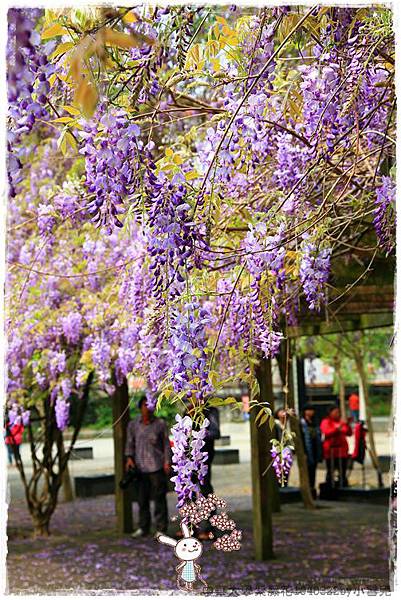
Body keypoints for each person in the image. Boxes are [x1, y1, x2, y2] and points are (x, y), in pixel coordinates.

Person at [125, 395, 172, 538]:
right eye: (145, 405)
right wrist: (129, 458)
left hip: (157, 466)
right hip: (140, 467)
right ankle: (143, 527)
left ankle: (161, 528)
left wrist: (167, 461)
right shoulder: (133, 425)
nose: (148, 408)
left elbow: (166, 445)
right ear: (140, 407)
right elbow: (130, 443)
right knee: (142, 499)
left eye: (150, 405)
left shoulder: (160, 424)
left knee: (159, 499)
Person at [320, 405, 352, 488]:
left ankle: (343, 485)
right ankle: (330, 486)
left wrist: (347, 425)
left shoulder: (341, 422)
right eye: (335, 412)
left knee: (342, 471)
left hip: (342, 451)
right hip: (330, 451)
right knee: (331, 471)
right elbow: (327, 432)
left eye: (338, 412)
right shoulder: (325, 421)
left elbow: (348, 433)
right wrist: (338, 429)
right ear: (330, 413)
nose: (338, 414)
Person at [300, 404, 323, 499]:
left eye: (311, 410)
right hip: (306, 450)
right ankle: (307, 491)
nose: (310, 412)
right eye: (308, 410)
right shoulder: (301, 423)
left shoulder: (315, 422)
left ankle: (312, 489)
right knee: (307, 472)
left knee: (313, 471)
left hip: (315, 450)